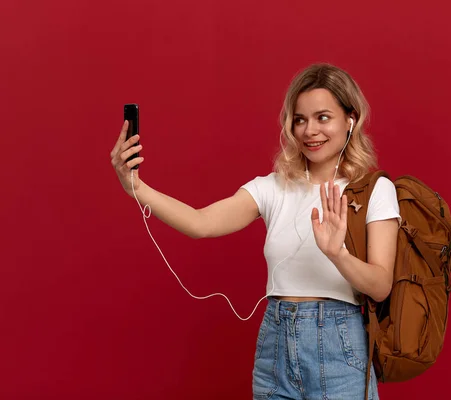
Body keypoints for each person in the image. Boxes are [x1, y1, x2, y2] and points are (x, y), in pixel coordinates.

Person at [110, 63, 400, 399]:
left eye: (323, 117)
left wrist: (337, 253)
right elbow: (200, 223)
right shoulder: (273, 187)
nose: (310, 131)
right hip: (275, 347)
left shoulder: (373, 190)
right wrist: (136, 188)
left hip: (339, 347)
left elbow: (380, 286)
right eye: (300, 119)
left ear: (350, 120)